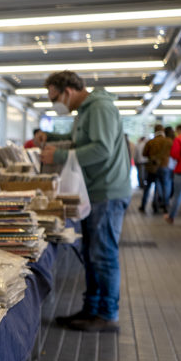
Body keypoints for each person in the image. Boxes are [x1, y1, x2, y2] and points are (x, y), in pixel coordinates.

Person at [41, 70, 131, 333]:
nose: (54, 103)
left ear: (67, 91)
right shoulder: (88, 110)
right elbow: (84, 142)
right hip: (97, 191)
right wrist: (53, 140)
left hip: (107, 192)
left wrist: (57, 155)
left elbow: (101, 149)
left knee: (103, 255)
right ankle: (92, 309)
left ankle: (106, 314)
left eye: (54, 97)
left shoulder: (99, 108)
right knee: (93, 255)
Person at [139, 126, 167, 213]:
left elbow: (144, 154)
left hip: (152, 168)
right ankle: (162, 205)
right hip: (164, 167)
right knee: (163, 187)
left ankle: (143, 205)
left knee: (148, 187)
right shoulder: (167, 141)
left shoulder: (150, 142)